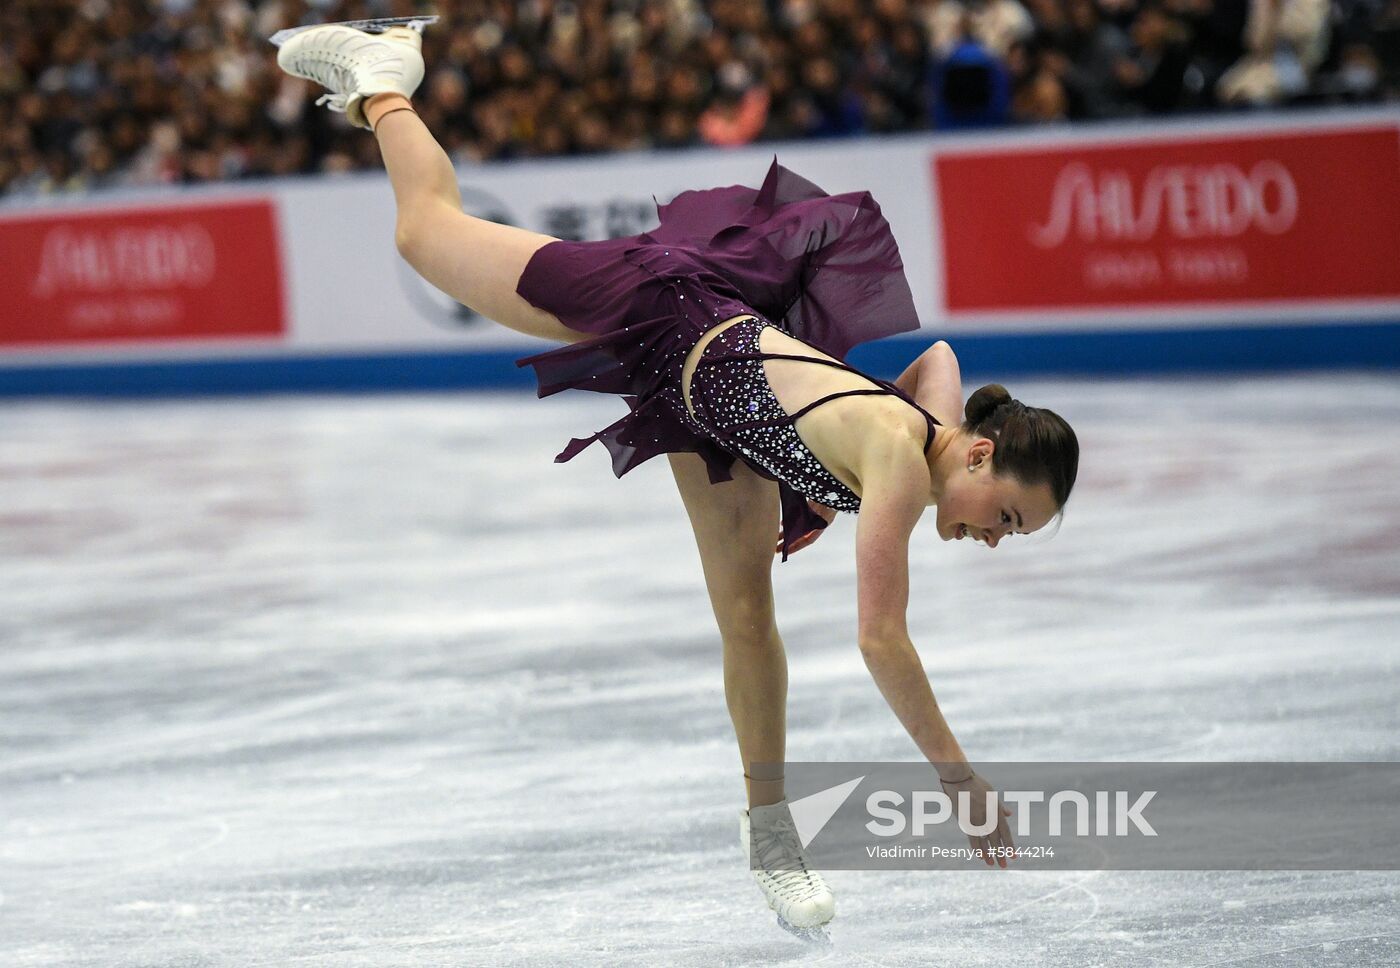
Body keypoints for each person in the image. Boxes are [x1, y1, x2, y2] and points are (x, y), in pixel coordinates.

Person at [276, 22, 1078, 939]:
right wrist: (960, 781)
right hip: (663, 311)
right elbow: (881, 640)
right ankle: (384, 78)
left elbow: (939, 356)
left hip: (720, 425)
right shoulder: (902, 458)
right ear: (982, 454)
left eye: (1013, 531)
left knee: (746, 620)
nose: (995, 537)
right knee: (426, 235)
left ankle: (772, 839)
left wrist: (840, 455)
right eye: (1007, 516)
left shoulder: (931, 437)